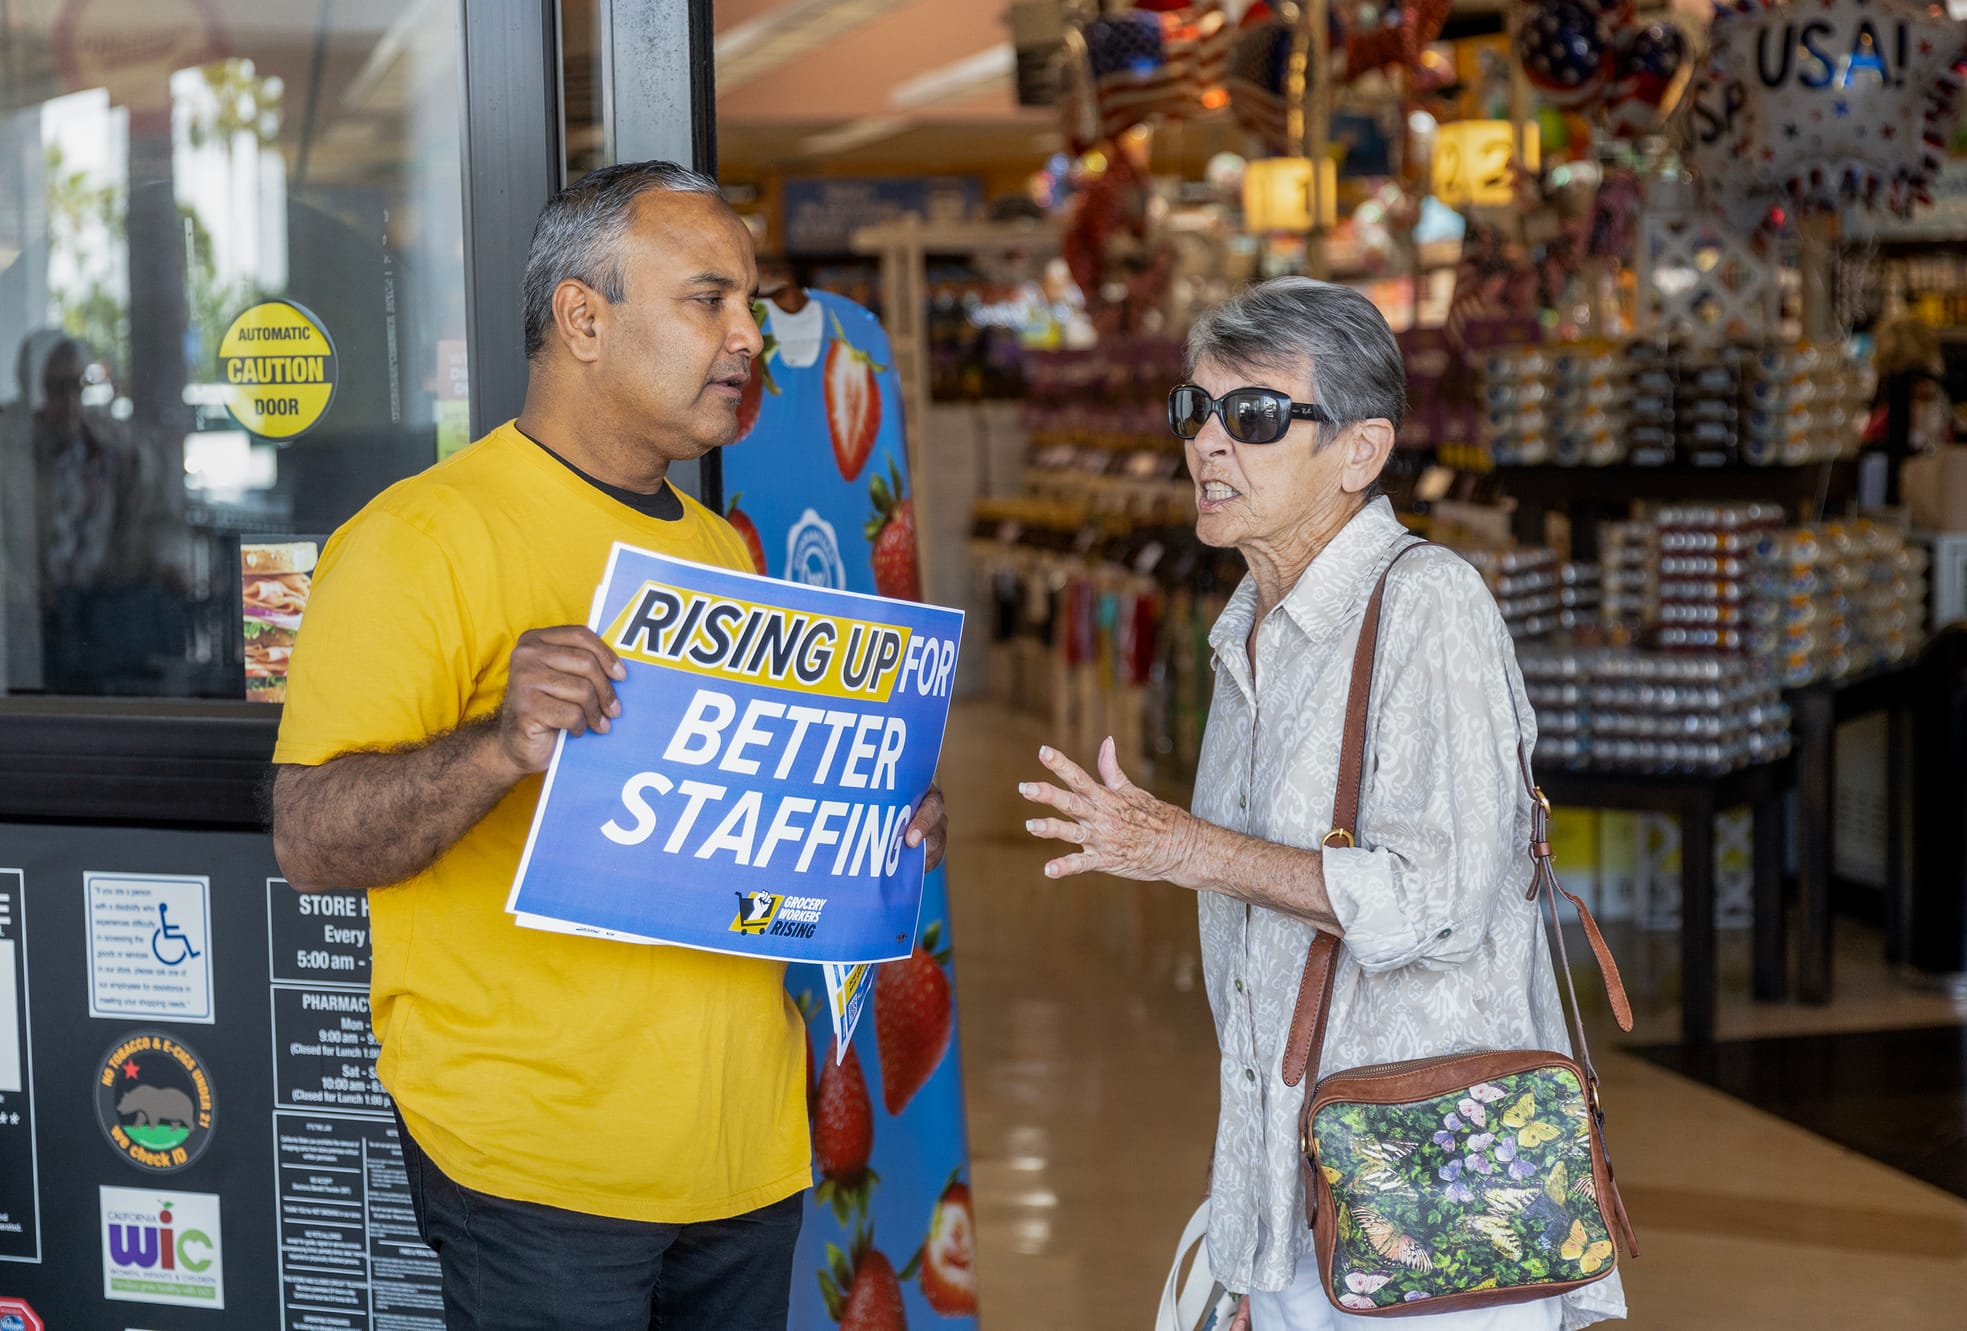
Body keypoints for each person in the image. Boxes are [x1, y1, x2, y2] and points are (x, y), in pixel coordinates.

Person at [269, 161, 948, 1331]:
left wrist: (859, 832)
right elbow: (311, 841)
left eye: (749, 301)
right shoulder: (414, 541)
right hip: (539, 1164)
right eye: (707, 300)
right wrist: (498, 743)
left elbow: (724, 848)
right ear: (583, 317)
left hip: (745, 1152)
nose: (749, 337)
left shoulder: (720, 551)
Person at [1020, 278, 1624, 1331]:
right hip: (1298, 1195)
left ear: (1359, 450)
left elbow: (1436, 897)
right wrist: (1258, 1254)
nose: (1206, 444)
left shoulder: (1425, 603)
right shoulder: (1250, 623)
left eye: (1251, 416)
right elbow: (1261, 992)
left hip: (1430, 1191)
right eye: (1191, 410)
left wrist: (1185, 848)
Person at [0, 330, 189, 694]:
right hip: (34, 629)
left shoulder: (114, 450)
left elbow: (155, 516)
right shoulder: (12, 455)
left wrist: (167, 559)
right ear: (34, 389)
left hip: (104, 625)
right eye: (57, 388)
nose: (69, 402)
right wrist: (18, 586)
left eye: (76, 387)